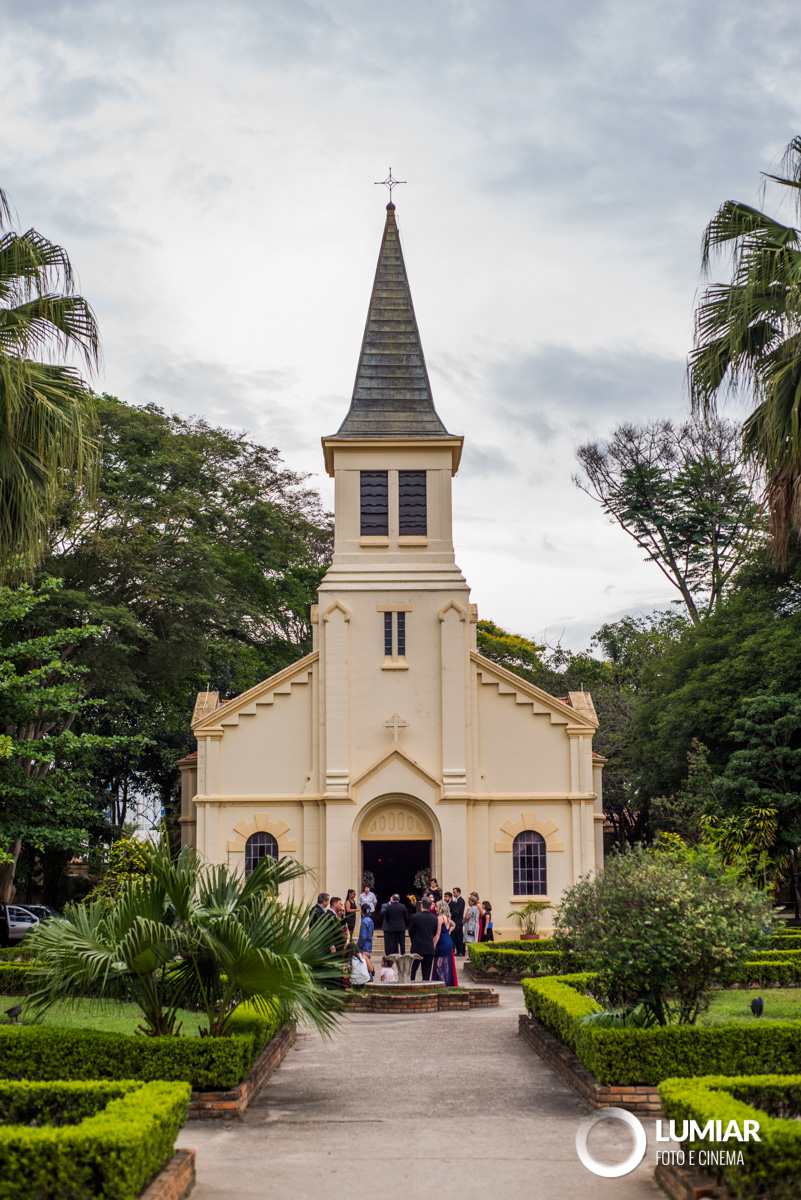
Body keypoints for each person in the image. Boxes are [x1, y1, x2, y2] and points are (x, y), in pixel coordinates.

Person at [409, 899, 438, 981]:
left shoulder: (415, 917)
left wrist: (413, 940)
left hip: (417, 946)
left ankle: (411, 985)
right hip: (428, 946)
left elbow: (411, 931)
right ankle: (425, 987)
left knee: (413, 970)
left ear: (421, 905)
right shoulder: (434, 918)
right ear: (430, 906)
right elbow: (434, 932)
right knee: (426, 972)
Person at [432, 899, 459, 986]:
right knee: (446, 964)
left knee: (439, 965)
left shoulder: (440, 918)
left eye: (436, 907)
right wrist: (448, 931)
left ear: (440, 908)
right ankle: (447, 982)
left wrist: (433, 945)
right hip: (448, 941)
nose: (435, 908)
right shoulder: (447, 917)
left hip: (442, 942)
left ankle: (443, 983)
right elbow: (454, 925)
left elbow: (438, 933)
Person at [450, 887, 466, 957]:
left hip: (459, 921)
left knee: (460, 937)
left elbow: (459, 911)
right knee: (456, 936)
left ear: (458, 893)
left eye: (454, 892)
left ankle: (462, 951)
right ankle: (458, 950)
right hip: (455, 921)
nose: (453, 893)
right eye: (453, 892)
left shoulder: (461, 901)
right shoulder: (456, 900)